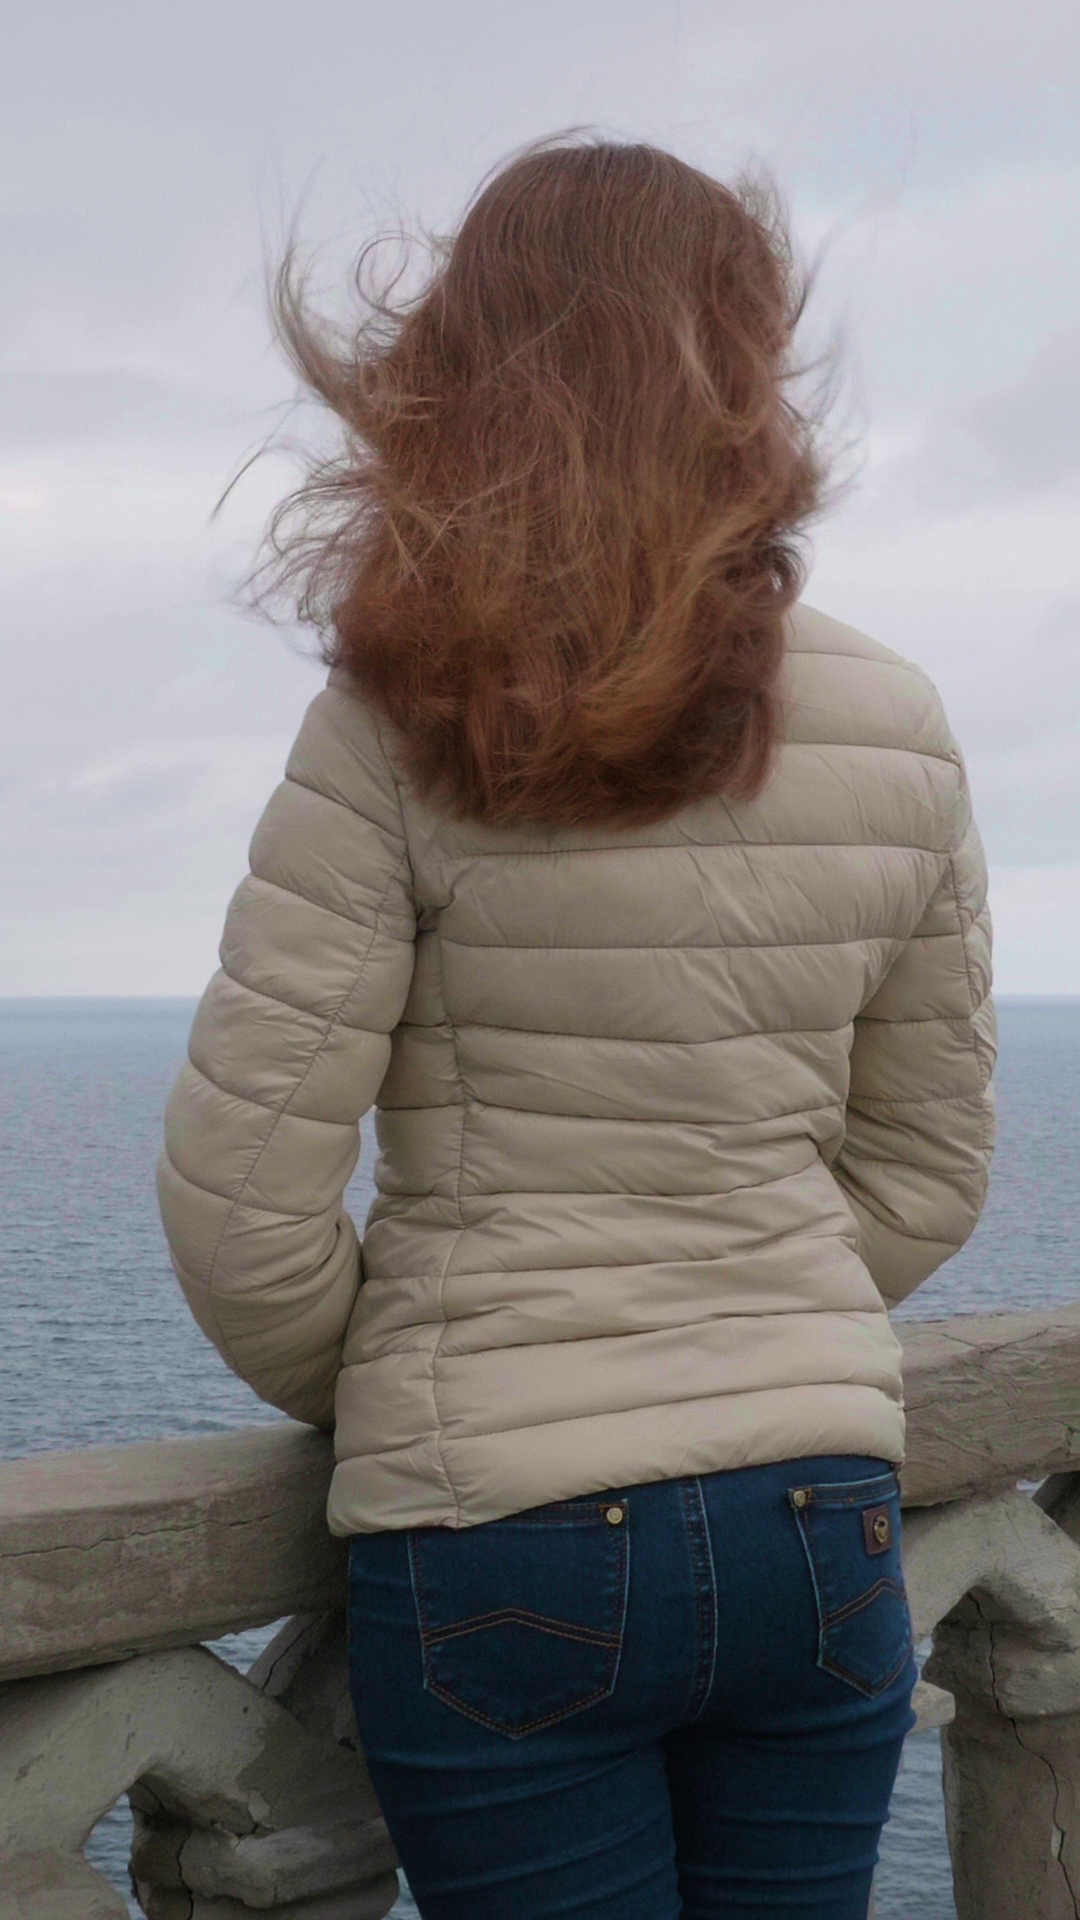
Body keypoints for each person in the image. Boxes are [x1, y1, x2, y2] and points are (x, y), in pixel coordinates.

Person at [159, 136, 996, 1920]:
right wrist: (755, 1313)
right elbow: (928, 1169)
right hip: (817, 1522)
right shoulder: (900, 720)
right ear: (745, 371)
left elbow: (243, 1206)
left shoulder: (397, 717)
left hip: (501, 1541)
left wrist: (437, 1372)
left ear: (460, 371)